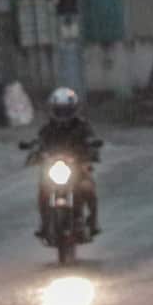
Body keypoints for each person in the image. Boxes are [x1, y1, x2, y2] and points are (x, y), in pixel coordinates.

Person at [33, 87, 99, 238]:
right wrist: (36, 150)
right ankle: (44, 223)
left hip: (77, 166)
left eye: (66, 111)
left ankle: (93, 222)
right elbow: (39, 142)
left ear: (74, 109)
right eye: (59, 110)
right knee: (43, 190)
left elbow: (91, 140)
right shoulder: (48, 128)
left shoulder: (82, 126)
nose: (63, 114)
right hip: (54, 166)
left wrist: (91, 147)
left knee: (88, 188)